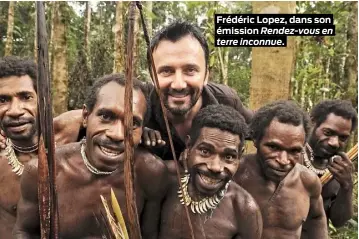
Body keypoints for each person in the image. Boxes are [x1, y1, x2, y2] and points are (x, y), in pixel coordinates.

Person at [39, 21, 253, 160]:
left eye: (190, 70)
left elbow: (266, 129)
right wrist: (77, 120)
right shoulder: (138, 104)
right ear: (152, 75)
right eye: (166, 71)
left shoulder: (226, 101)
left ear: (207, 74)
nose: (178, 84)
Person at [13, 73, 168, 238]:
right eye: (106, 117)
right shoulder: (44, 171)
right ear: (86, 117)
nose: (117, 134)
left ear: (142, 129)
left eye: (133, 123)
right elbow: (24, 231)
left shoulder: (151, 173)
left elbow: (149, 235)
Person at [160, 104, 262, 239]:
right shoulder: (163, 179)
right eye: (205, 151)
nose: (215, 167)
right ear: (189, 146)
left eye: (229, 157)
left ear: (240, 155)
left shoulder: (244, 209)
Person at [234, 100, 328, 239]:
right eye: (273, 147)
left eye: (294, 150)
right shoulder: (234, 176)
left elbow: (317, 219)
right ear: (256, 140)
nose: (283, 160)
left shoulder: (308, 182)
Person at [301, 100, 357, 238]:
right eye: (328, 132)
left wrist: (346, 186)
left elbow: (339, 221)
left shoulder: (338, 168)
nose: (334, 142)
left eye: (343, 137)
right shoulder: (290, 155)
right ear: (312, 123)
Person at [0, 56, 40, 238]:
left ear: (42, 100)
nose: (15, 110)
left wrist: (141, 130)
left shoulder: (71, 139)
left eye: (26, 97)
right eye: (3, 100)